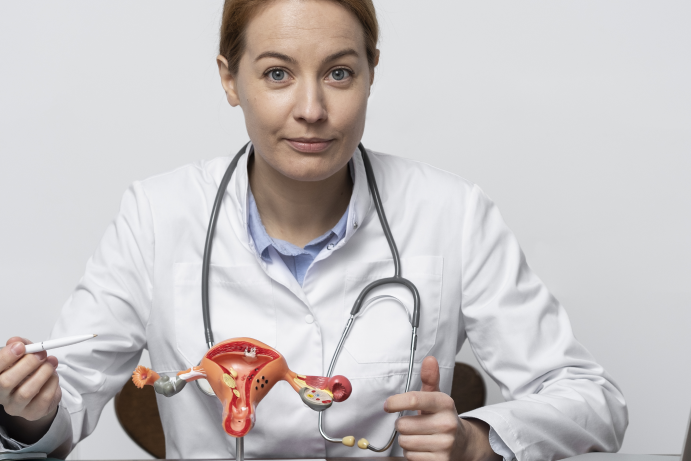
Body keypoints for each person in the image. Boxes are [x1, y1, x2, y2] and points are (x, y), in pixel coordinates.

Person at [0, 1, 628, 460]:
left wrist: (478, 440)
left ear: (371, 71)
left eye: (339, 73)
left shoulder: (451, 212)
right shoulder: (156, 216)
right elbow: (62, 405)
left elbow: (591, 399)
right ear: (229, 79)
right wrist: (29, 411)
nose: (311, 109)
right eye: (277, 74)